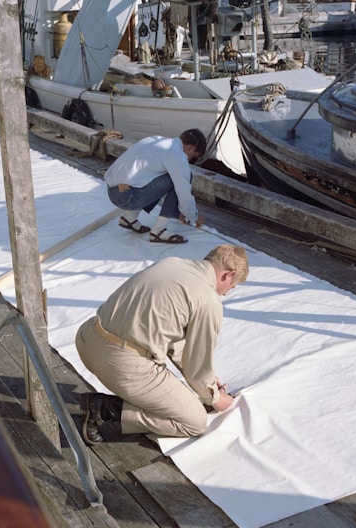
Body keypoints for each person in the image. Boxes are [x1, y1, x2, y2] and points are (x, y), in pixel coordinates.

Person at [76, 244, 249, 444]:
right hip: (120, 363)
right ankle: (106, 410)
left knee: (191, 395)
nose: (227, 293)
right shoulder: (208, 301)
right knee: (195, 421)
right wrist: (215, 398)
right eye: (232, 286)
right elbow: (197, 363)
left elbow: (173, 339)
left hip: (87, 338)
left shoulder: (171, 263)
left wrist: (209, 384)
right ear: (228, 274)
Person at [104, 128, 207, 244]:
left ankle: (129, 218)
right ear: (191, 148)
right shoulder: (177, 155)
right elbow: (184, 193)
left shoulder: (156, 140)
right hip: (128, 198)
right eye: (194, 156)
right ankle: (158, 231)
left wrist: (179, 213)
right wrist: (194, 217)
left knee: (154, 175)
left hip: (113, 191)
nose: (191, 160)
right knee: (178, 178)